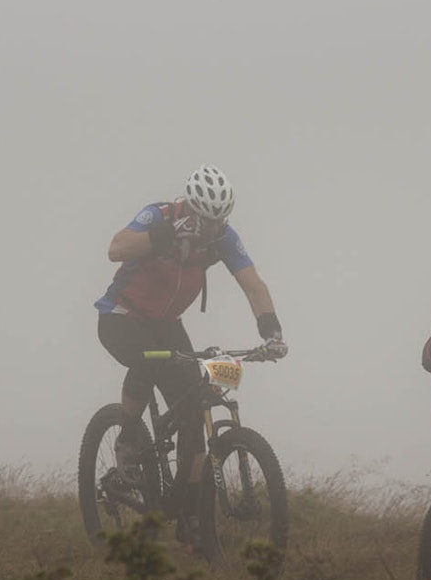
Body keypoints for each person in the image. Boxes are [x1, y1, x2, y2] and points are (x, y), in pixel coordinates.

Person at [95, 164, 287, 546]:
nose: (215, 228)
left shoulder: (222, 239)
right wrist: (160, 236)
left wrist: (272, 332)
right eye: (208, 220)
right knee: (147, 360)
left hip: (166, 323)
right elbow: (115, 248)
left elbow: (253, 285)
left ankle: (189, 513)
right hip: (121, 316)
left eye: (221, 220)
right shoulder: (160, 216)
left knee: (195, 404)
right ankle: (128, 440)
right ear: (193, 210)